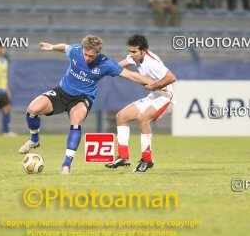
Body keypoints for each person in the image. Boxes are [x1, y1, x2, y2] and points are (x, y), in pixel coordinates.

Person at [18, 35, 156, 174]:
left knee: (76, 120)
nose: (87, 58)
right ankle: (34, 139)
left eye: (91, 56)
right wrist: (52, 47)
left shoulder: (106, 64)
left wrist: (155, 84)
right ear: (82, 49)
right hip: (61, 92)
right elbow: (65, 47)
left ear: (98, 53)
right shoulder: (76, 51)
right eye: (85, 54)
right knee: (32, 109)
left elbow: (131, 75)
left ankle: (67, 165)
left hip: (82, 98)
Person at [106, 35, 176, 172]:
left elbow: (171, 77)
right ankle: (123, 157)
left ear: (143, 51)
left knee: (143, 118)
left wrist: (154, 86)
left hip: (166, 98)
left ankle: (147, 160)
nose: (131, 55)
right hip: (154, 96)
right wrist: (104, 69)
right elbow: (118, 66)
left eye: (134, 52)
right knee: (121, 116)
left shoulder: (152, 62)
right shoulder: (136, 57)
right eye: (129, 51)